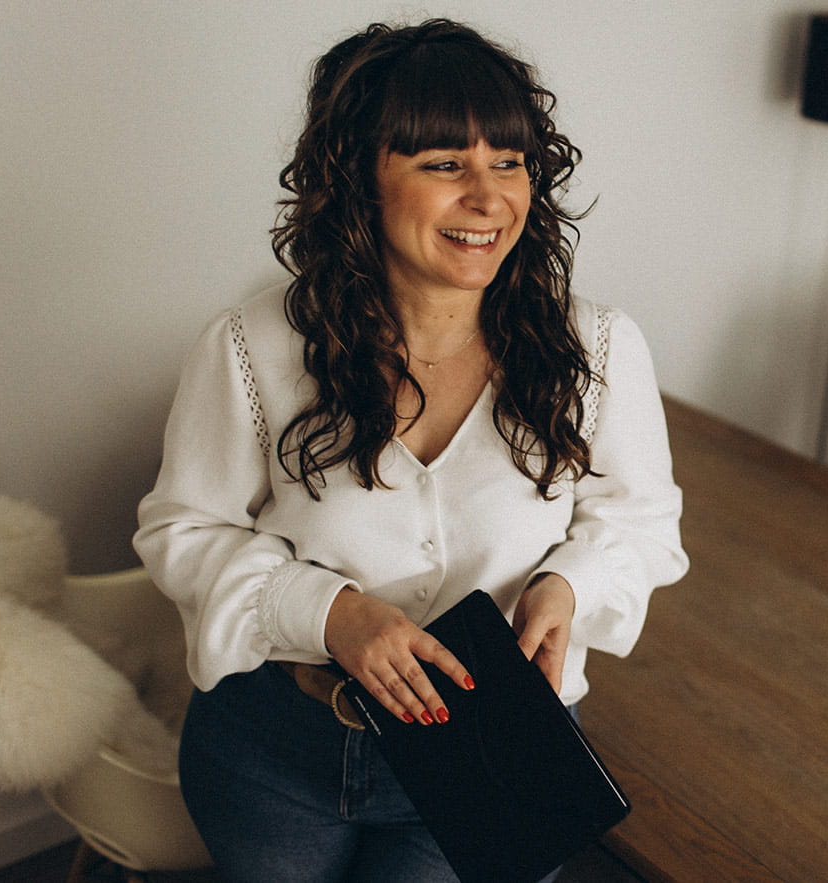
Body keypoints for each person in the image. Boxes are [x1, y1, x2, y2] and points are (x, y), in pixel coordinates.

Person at [134, 18, 688, 882]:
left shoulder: (600, 347)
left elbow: (643, 521)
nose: (489, 197)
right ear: (359, 178)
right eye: (443, 165)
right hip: (276, 754)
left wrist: (568, 584)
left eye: (508, 162)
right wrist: (329, 613)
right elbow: (180, 529)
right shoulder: (249, 347)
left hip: (498, 754)